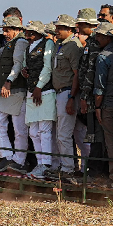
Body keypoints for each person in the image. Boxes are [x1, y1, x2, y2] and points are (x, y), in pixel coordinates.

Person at [0, 17, 29, 173]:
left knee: (19, 128)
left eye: (8, 30)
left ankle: (20, 160)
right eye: (4, 30)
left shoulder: (21, 42)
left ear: (17, 29)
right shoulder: (10, 43)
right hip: (7, 90)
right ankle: (7, 157)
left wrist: (9, 81)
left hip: (16, 89)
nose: (4, 33)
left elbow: (18, 64)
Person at [45, 15, 82, 180]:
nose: (57, 30)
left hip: (67, 92)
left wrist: (72, 97)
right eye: (57, 27)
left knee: (64, 134)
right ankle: (65, 165)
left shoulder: (73, 46)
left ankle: (68, 168)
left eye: (61, 28)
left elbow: (77, 74)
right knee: (60, 133)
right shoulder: (60, 45)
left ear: (70, 29)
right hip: (59, 92)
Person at [20, 21, 56, 179]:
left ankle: (46, 164)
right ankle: (40, 163)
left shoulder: (47, 43)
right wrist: (24, 71)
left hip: (44, 91)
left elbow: (48, 67)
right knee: (33, 131)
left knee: (45, 130)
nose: (29, 35)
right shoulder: (29, 47)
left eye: (32, 32)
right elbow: (24, 64)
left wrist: (39, 86)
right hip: (31, 90)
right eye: (28, 32)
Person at [94, 22, 113, 189]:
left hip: (110, 104)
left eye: (99, 35)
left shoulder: (103, 56)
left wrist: (98, 107)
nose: (96, 38)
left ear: (107, 37)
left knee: (111, 142)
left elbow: (99, 88)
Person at [75, 8, 103, 178]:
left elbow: (91, 73)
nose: (78, 27)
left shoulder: (96, 43)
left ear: (89, 25)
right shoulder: (91, 42)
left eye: (80, 24)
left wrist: (85, 97)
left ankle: (96, 171)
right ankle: (91, 169)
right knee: (91, 135)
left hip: (94, 98)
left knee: (96, 136)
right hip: (90, 96)